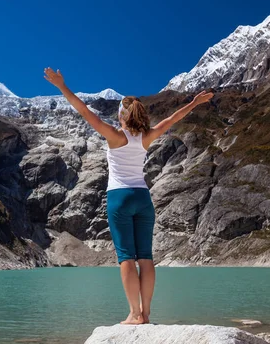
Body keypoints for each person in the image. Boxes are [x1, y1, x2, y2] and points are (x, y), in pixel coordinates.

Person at [43, 67, 214, 325]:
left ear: (122, 116)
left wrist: (62, 86)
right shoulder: (147, 136)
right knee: (145, 256)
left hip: (119, 197)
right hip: (143, 198)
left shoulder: (114, 136)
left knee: (126, 257)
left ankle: (134, 314)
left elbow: (85, 112)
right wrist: (194, 102)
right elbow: (172, 120)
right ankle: (146, 313)